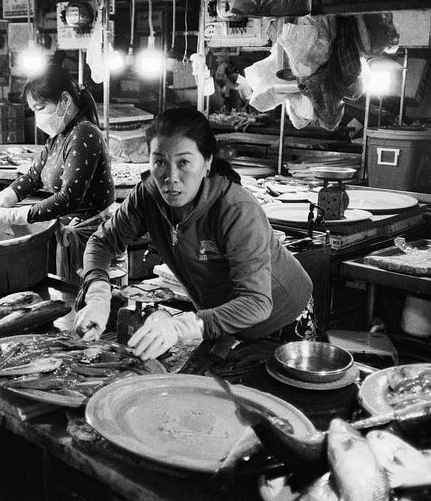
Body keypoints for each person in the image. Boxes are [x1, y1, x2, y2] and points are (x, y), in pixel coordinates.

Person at [74, 107, 315, 359]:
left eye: (184, 162)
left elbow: (256, 302)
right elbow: (102, 242)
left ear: (207, 162)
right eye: (159, 162)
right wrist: (98, 294)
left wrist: (182, 327)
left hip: (282, 316)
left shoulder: (236, 209)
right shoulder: (147, 197)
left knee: (275, 394)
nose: (171, 177)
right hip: (220, 316)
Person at [0, 64, 115, 282]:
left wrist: (13, 215)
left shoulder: (84, 133)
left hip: (92, 241)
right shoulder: (58, 136)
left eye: (40, 108)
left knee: (88, 303)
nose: (38, 118)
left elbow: (68, 199)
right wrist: (1, 200)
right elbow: (32, 178)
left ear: (65, 100)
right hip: (70, 235)